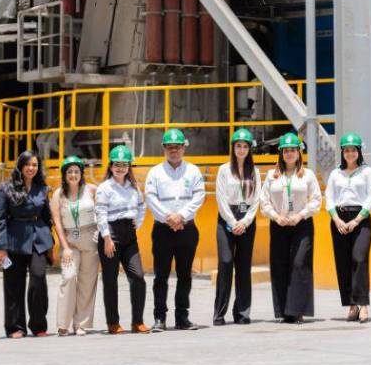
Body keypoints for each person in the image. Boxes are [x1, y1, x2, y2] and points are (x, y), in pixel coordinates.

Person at [144, 128, 207, 331]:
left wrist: (181, 216)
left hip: (187, 229)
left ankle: (182, 318)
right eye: (170, 147)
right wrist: (169, 217)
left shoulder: (193, 171)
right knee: (161, 276)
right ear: (163, 148)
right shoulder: (155, 172)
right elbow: (151, 198)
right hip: (162, 230)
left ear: (183, 148)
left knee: (184, 275)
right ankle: (159, 318)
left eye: (177, 147)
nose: (173, 151)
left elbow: (199, 196)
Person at [259, 132, 322, 324]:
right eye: (286, 150)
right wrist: (276, 217)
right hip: (279, 224)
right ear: (280, 153)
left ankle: (298, 310)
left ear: (299, 152)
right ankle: (285, 312)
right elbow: (264, 201)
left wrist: (300, 215)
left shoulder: (308, 175)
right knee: (279, 265)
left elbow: (316, 200)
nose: (289, 154)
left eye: (293, 150)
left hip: (301, 224)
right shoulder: (272, 176)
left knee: (299, 264)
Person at [0, 150, 54, 339]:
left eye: (35, 165)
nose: (31, 168)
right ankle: (15, 327)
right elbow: (0, 219)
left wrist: (50, 244)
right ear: (20, 166)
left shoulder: (42, 188)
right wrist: (1, 247)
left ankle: (38, 325)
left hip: (38, 239)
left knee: (38, 278)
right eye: (27, 164)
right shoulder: (6, 188)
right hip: (14, 240)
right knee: (13, 284)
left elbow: (47, 217)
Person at [95, 145, 150, 334]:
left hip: (129, 236)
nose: (120, 168)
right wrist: (106, 238)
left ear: (129, 167)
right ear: (111, 166)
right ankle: (113, 323)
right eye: (117, 164)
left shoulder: (134, 187)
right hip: (110, 236)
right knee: (110, 280)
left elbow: (142, 206)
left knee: (138, 277)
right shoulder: (104, 188)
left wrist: (138, 223)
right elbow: (100, 213)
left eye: (124, 165)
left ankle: (138, 322)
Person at [325, 132, 371, 324]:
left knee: (359, 259)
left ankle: (363, 304)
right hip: (339, 219)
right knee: (343, 262)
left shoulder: (367, 172)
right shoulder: (335, 174)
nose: (350, 153)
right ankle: (351, 304)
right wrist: (336, 219)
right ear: (342, 152)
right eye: (346, 150)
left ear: (359, 151)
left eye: (353, 150)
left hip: (360, 218)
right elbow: (329, 197)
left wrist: (356, 220)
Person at [213, 128, 261, 326]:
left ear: (249, 149)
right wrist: (233, 222)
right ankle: (219, 313)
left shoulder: (255, 171)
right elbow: (221, 199)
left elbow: (256, 200)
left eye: (245, 146)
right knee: (225, 263)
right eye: (238, 146)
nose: (241, 150)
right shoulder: (224, 170)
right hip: (227, 219)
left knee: (243, 266)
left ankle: (242, 312)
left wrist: (245, 222)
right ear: (233, 148)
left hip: (246, 220)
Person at [51, 155, 100, 336]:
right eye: (69, 172)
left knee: (88, 281)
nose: (73, 175)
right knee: (69, 276)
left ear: (81, 173)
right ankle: (63, 324)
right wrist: (65, 247)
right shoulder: (58, 194)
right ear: (64, 175)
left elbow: (103, 211)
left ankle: (81, 324)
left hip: (90, 236)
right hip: (69, 239)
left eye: (76, 171)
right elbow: (57, 222)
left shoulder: (92, 190)